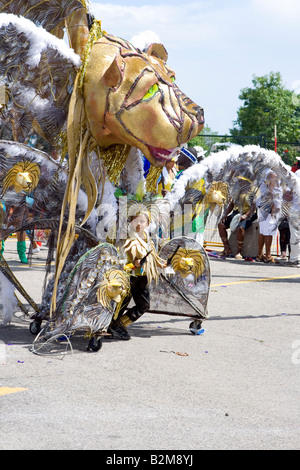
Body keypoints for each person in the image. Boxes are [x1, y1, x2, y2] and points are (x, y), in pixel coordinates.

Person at [109, 208, 167, 340]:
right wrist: (135, 264)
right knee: (120, 305)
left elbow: (154, 257)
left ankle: (118, 325)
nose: (139, 224)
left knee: (143, 305)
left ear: (148, 223)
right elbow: (124, 261)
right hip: (130, 278)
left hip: (141, 278)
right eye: (135, 221)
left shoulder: (147, 239)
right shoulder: (129, 239)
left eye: (142, 221)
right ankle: (113, 326)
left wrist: (163, 264)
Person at [255, 169, 282, 263]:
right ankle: (268, 255)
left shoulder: (265, 173)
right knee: (269, 231)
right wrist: (273, 207)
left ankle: (259, 255)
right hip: (269, 205)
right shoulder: (272, 174)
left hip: (263, 205)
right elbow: (271, 192)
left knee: (262, 231)